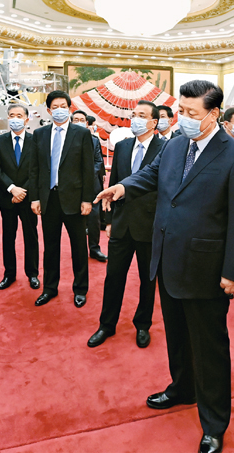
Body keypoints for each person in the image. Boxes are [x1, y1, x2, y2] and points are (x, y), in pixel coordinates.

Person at [97, 80, 234, 453]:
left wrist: (233, 271)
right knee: (177, 336)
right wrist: (124, 187)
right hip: (167, 259)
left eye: (191, 113)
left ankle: (214, 422)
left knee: (209, 347)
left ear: (214, 113)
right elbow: (151, 175)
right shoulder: (174, 145)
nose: (183, 118)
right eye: (181, 111)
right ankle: (182, 389)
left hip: (206, 268)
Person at [88, 101, 164, 349]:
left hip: (149, 225)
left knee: (147, 280)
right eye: (134, 115)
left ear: (153, 122)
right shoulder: (122, 146)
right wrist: (108, 221)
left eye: (142, 115)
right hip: (121, 224)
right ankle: (106, 325)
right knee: (113, 278)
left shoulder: (165, 148)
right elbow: (114, 184)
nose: (135, 119)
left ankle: (143, 325)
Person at [29, 91, 95, 308]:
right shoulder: (39, 134)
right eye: (55, 107)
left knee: (79, 247)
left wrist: (87, 200)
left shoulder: (81, 134)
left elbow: (88, 169)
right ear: (49, 110)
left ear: (69, 108)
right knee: (50, 247)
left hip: (74, 200)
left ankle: (80, 289)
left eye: (63, 106)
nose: (59, 110)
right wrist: (35, 198)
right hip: (49, 199)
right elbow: (34, 168)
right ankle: (50, 288)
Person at [0, 103, 40, 291]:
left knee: (31, 236)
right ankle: (9, 274)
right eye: (12, 115)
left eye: (19, 115)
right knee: (8, 237)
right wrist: (12, 189)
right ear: (7, 118)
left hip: (28, 198)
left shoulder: (35, 140)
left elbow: (37, 170)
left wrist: (22, 191)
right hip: (7, 198)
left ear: (27, 119)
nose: (15, 119)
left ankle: (32, 273)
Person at [72, 110, 107, 262]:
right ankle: (79, 250)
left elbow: (98, 161)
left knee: (94, 219)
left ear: (87, 123)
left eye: (82, 120)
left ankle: (94, 248)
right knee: (76, 220)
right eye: (76, 119)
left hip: (92, 185)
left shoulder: (94, 140)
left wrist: (87, 177)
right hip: (73, 186)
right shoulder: (67, 140)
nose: (79, 122)